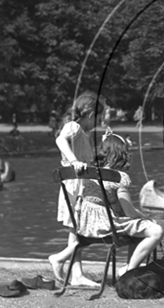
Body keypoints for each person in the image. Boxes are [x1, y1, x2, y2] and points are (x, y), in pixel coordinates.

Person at [77, 131, 163, 278]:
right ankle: (129, 269)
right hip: (106, 227)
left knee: (137, 227)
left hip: (85, 226)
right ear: (120, 153)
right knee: (156, 230)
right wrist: (147, 218)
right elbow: (129, 212)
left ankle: (131, 270)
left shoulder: (89, 173)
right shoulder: (118, 177)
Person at [49, 91, 106, 286]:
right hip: (75, 187)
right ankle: (60, 260)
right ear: (90, 114)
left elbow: (87, 158)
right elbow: (59, 140)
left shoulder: (85, 133)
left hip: (81, 185)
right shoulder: (74, 127)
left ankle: (77, 275)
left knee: (77, 229)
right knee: (80, 228)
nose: (99, 122)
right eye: (99, 118)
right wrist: (73, 161)